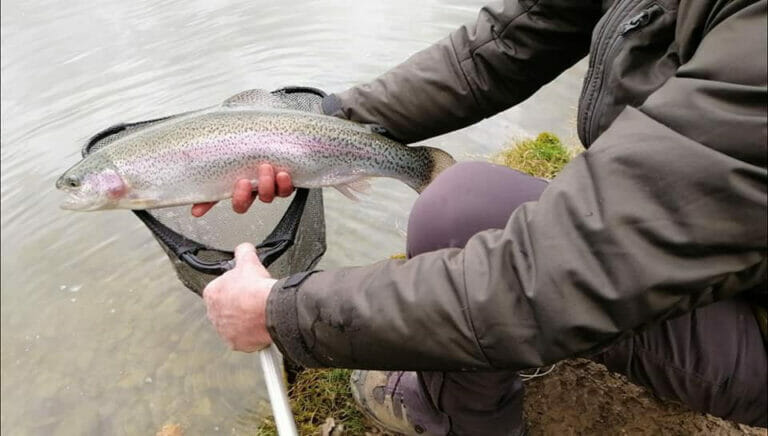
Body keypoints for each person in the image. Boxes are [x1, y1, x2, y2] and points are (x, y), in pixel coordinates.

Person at [198, 0, 768, 434]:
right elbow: (500, 45)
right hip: (717, 241)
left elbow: (547, 278)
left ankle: (456, 421)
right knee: (465, 202)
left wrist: (282, 312)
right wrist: (322, 126)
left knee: (459, 222)